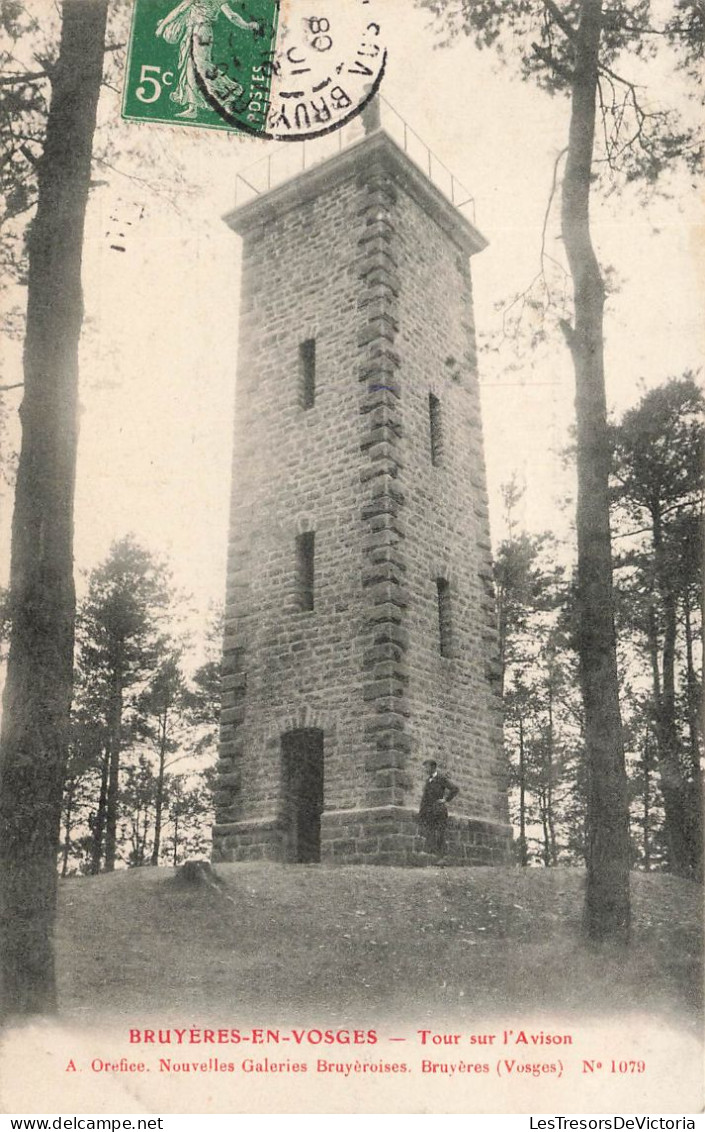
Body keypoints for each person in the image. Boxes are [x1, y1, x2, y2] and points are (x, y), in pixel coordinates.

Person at [155, 0, 261, 118]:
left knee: (200, 67)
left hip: (199, 31)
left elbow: (180, 9)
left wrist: (163, 25)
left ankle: (227, 97)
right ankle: (195, 107)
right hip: (201, 31)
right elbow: (232, 16)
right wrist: (247, 25)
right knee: (191, 67)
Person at [418, 759, 459, 857]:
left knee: (440, 832)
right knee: (430, 831)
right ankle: (430, 852)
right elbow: (425, 798)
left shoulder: (441, 778)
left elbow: (455, 789)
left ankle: (442, 856)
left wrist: (445, 799)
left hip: (439, 810)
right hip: (429, 810)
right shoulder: (428, 780)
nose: (425, 769)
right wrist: (422, 811)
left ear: (433, 767)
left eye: (427, 767)